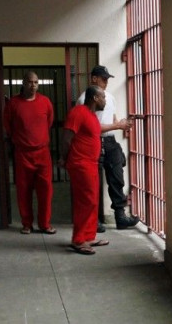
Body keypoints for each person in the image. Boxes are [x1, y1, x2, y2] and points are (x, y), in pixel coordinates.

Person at [77, 65, 140, 230]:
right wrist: (117, 125)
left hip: (110, 142)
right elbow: (92, 127)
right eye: (103, 79)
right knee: (91, 184)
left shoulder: (109, 97)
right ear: (94, 79)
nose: (106, 82)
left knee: (117, 179)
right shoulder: (84, 100)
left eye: (107, 79)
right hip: (93, 142)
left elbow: (112, 118)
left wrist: (121, 124)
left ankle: (120, 217)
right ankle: (93, 220)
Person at [3, 71, 57, 235]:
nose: (32, 85)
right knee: (23, 189)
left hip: (42, 152)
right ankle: (27, 224)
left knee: (45, 190)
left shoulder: (45, 102)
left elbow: (49, 122)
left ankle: (45, 224)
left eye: (35, 82)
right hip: (23, 153)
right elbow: (8, 126)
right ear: (23, 83)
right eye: (29, 82)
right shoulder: (13, 104)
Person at [60, 85, 110, 255]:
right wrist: (63, 158)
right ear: (95, 98)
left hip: (91, 163)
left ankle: (89, 236)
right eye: (103, 96)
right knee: (85, 201)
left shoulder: (92, 116)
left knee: (93, 200)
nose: (105, 100)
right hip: (80, 164)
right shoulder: (78, 112)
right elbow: (67, 138)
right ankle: (78, 240)